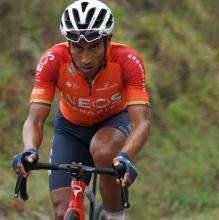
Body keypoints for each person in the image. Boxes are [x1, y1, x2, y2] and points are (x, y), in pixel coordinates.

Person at [12, 0, 150, 219]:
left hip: (113, 121)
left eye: (94, 46)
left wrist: (125, 157)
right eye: (77, 47)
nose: (86, 59)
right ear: (68, 44)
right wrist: (29, 150)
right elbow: (34, 120)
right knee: (61, 211)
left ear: (108, 41)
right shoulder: (52, 60)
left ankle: (114, 216)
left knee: (103, 150)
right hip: (70, 129)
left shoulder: (128, 61)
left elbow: (141, 122)